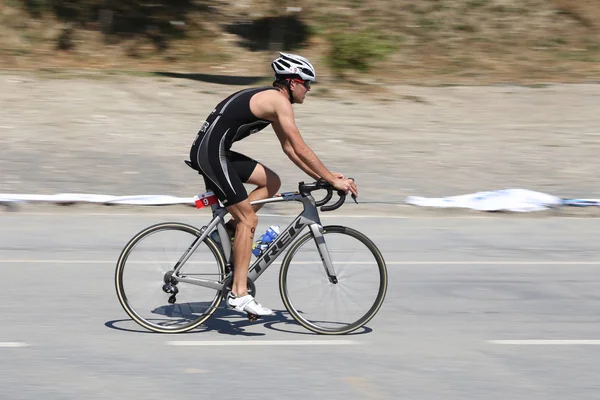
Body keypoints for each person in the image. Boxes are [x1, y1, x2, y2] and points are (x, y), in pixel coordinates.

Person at [189, 52, 358, 317]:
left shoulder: (274, 101)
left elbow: (290, 150)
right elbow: (300, 146)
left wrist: (322, 177)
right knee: (249, 220)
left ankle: (228, 233)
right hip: (210, 154)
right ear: (292, 83)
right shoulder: (279, 102)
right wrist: (330, 179)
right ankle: (239, 294)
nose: (309, 88)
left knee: (271, 181)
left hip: (214, 151)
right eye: (306, 82)